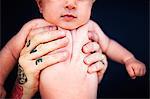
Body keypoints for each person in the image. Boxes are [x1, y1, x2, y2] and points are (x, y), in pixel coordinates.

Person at [0, 0, 146, 97]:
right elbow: (10, 52)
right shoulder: (35, 28)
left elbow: (109, 45)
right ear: (40, 4)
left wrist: (129, 58)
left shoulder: (91, 28)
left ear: (91, 4)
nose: (71, 4)